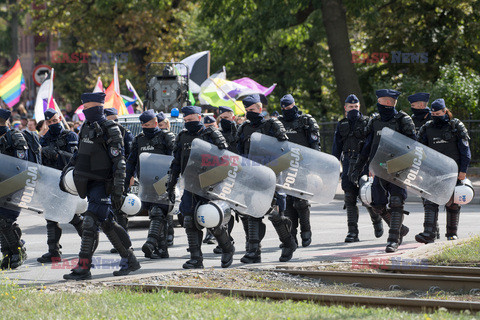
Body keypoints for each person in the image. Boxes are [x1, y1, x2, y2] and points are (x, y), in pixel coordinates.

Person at [62, 92, 140, 280]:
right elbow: (78, 155)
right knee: (106, 223)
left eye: (87, 108)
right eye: (84, 108)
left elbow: (120, 162)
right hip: (89, 182)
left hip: (105, 183)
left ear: (98, 107)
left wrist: (118, 190)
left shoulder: (111, 128)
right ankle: (130, 260)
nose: (85, 111)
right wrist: (65, 173)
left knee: (89, 222)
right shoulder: (86, 127)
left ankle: (84, 267)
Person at [166, 105, 235, 269]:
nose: (187, 122)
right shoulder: (182, 137)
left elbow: (226, 157)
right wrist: (170, 184)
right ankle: (196, 258)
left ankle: (227, 248)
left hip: (211, 184)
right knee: (189, 219)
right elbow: (176, 163)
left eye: (190, 119)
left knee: (212, 218)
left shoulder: (211, 134)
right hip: (191, 184)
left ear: (199, 117)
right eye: (185, 120)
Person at [349, 89, 415, 253]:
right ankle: (399, 228)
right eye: (381, 101)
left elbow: (414, 146)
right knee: (376, 204)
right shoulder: (375, 121)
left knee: (396, 202)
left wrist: (403, 164)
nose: (384, 105)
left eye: (387, 102)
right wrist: (358, 167)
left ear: (392, 103)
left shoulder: (403, 120)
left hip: (398, 168)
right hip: (379, 168)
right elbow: (366, 146)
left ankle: (393, 240)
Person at [236, 94, 297, 263]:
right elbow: (239, 154)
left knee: (276, 215)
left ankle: (288, 243)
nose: (250, 113)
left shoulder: (272, 125)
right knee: (253, 214)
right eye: (247, 110)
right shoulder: (243, 129)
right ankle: (254, 252)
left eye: (253, 110)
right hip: (252, 176)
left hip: (272, 177)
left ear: (260, 108)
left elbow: (285, 150)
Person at [415, 99, 471, 243]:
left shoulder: (456, 126)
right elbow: (419, 151)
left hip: (454, 171)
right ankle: (429, 233)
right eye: (432, 113)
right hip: (433, 171)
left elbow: (465, 151)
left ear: (445, 111)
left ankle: (452, 234)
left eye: (438, 113)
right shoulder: (427, 128)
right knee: (430, 201)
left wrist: (463, 171)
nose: (435, 116)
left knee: (453, 202)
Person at [332, 94, 383, 242]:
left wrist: (373, 166)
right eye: (350, 107)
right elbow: (336, 148)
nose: (353, 109)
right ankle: (352, 232)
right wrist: (335, 166)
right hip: (348, 162)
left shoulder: (367, 122)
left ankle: (376, 220)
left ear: (359, 107)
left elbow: (373, 144)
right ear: (345, 108)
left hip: (364, 163)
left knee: (366, 195)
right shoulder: (342, 124)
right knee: (349, 198)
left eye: (355, 107)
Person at [126, 110, 175, 259]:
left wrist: (172, 180)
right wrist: (128, 177)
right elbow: (131, 161)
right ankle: (162, 249)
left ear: (155, 123)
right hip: (146, 182)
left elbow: (174, 159)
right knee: (156, 215)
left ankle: (151, 242)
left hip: (164, 182)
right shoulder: (139, 139)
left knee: (157, 212)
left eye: (147, 124)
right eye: (142, 125)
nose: (144, 127)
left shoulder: (166, 137)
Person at [37, 109, 83, 263]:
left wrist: (57, 154)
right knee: (51, 216)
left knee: (71, 215)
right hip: (51, 182)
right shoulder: (44, 138)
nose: (53, 124)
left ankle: (89, 243)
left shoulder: (70, 136)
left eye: (55, 121)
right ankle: (53, 251)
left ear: (60, 119)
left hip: (67, 181)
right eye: (50, 122)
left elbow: (74, 159)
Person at [277, 94, 320, 247]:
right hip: (285, 166)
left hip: (303, 165)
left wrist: (313, 166)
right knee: (288, 203)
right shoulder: (279, 123)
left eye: (289, 106)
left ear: (294, 104)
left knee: (301, 201)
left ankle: (306, 231)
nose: (287, 110)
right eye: (284, 107)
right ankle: (291, 236)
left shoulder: (305, 121)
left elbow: (315, 144)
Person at [0, 109, 29, 270]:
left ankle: (18, 250)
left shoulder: (15, 136)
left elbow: (22, 164)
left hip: (14, 185)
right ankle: (7, 254)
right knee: (0, 222)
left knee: (6, 221)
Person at [104, 107, 134, 251]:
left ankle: (125, 243)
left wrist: (131, 175)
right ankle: (119, 242)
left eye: (116, 120)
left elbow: (131, 157)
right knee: (112, 212)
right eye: (111, 120)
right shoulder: (102, 132)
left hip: (121, 176)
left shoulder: (124, 133)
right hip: (106, 176)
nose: (114, 123)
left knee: (120, 210)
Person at [156, 112, 175, 246]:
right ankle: (159, 235)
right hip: (154, 174)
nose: (159, 127)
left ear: (166, 124)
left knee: (166, 206)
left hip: (167, 175)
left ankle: (169, 233)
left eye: (161, 125)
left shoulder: (170, 137)